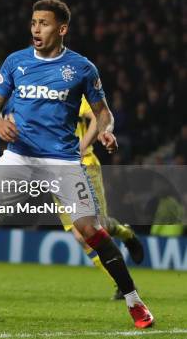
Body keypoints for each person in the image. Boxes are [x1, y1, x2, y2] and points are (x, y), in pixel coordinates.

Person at [0, 0, 154, 329]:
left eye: (44, 23)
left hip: (62, 161)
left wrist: (105, 131)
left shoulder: (81, 68)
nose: (36, 28)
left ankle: (135, 303)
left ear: (61, 29)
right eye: (34, 22)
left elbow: (103, 111)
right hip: (18, 157)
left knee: (90, 230)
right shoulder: (15, 62)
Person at [59, 96, 144, 299]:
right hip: (54, 171)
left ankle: (126, 233)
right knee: (80, 236)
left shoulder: (71, 90)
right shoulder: (31, 94)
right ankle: (122, 285)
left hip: (84, 165)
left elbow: (98, 118)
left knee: (98, 227)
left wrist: (81, 147)